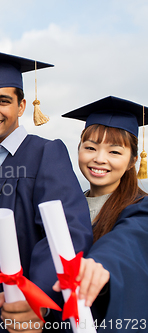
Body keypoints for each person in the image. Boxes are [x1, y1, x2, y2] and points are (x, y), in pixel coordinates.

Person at [0, 52, 93, 332]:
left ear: (21, 106)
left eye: (3, 100)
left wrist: (36, 296)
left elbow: (68, 232)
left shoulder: (45, 153)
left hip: (23, 316)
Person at [59, 96, 148, 331]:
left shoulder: (141, 208)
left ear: (132, 161)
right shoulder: (66, 206)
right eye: (90, 148)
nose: (99, 158)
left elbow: (127, 243)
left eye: (115, 152)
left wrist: (100, 263)